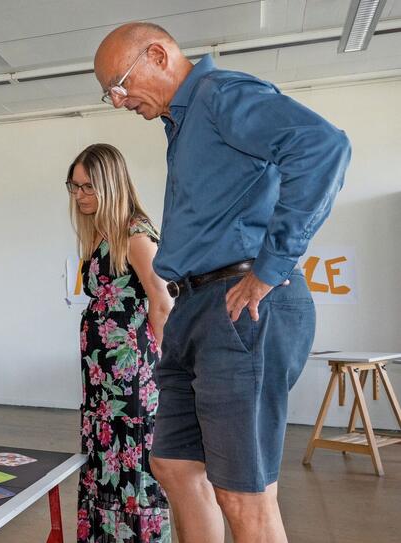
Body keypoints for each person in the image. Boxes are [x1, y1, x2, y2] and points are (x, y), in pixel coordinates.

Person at [94, 23, 350, 542]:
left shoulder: (220, 95)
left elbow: (323, 147)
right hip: (195, 305)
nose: (118, 101)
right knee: (173, 465)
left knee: (244, 494)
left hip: (238, 306)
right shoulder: (182, 123)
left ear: (160, 55)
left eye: (119, 83)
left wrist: (269, 270)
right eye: (109, 93)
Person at [67, 144, 172, 542]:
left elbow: (162, 301)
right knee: (104, 462)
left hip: (130, 383)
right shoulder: (102, 234)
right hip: (103, 385)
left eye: (88, 187)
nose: (79, 196)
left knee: (131, 463)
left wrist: (159, 369)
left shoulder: (135, 233)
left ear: (110, 184)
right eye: (74, 187)